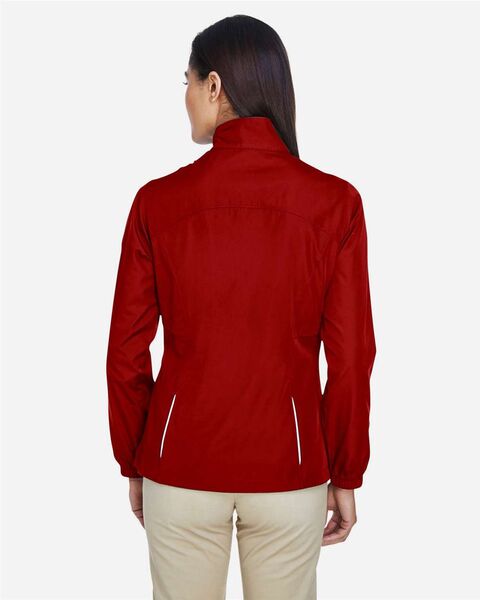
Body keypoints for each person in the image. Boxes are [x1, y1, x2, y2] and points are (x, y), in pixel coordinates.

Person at [106, 14, 376, 600]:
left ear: (214, 85)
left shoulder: (156, 203)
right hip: (291, 470)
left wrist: (135, 460)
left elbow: (125, 353)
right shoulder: (335, 203)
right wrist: (346, 470)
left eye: (186, 81)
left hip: (179, 467)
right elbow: (352, 357)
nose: (184, 96)